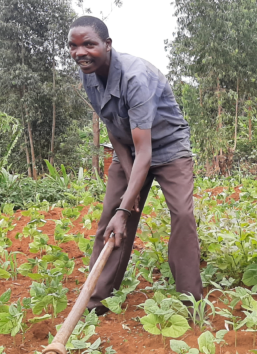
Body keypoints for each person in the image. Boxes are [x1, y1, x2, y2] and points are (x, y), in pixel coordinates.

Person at [67, 16, 203, 316]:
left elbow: (147, 152)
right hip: (128, 148)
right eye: (73, 46)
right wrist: (131, 189)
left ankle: (191, 303)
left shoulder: (134, 77)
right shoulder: (88, 76)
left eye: (89, 44)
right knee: (110, 218)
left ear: (107, 44)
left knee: (182, 214)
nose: (80, 53)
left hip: (168, 144)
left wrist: (126, 206)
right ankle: (97, 300)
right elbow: (114, 132)